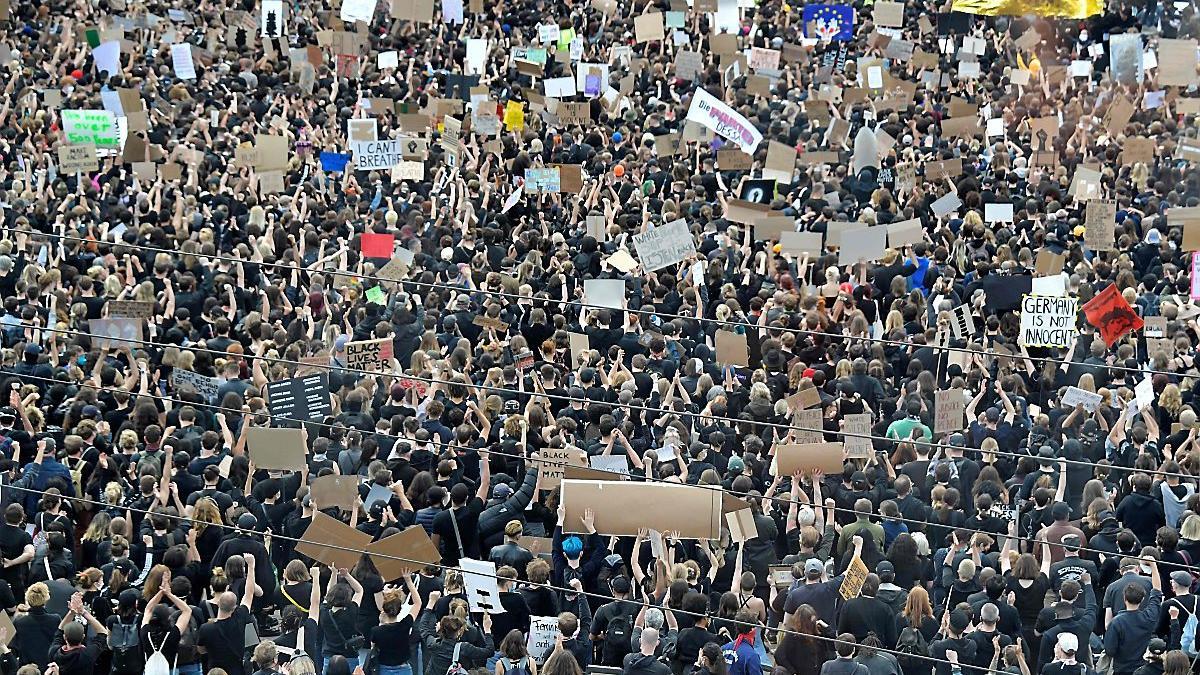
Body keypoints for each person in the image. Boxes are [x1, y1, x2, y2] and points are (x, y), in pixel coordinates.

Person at [196, 553, 257, 675]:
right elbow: (249, 593)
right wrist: (251, 566)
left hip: (215, 670)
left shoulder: (206, 628)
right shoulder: (240, 617)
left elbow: (201, 650)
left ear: (219, 604)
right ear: (234, 607)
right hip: (237, 670)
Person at [1104, 556, 1164, 675]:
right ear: (1142, 599)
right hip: (1145, 669)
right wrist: (1153, 565)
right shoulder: (1149, 617)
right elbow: (1157, 590)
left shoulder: (1116, 623)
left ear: (1124, 598)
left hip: (1122, 669)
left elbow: (1109, 650)